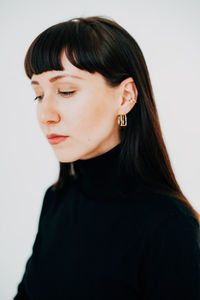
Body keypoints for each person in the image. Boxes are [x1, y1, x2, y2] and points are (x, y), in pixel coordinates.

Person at [14, 16, 200, 300]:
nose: (45, 115)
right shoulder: (56, 199)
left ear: (125, 98)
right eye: (38, 94)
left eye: (66, 90)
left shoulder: (170, 227)